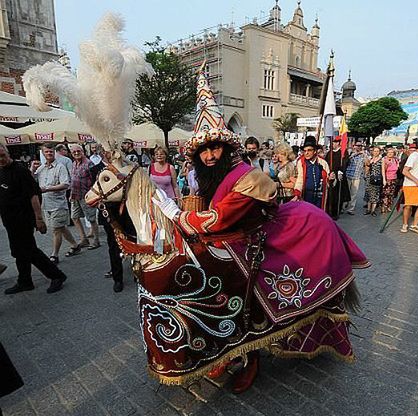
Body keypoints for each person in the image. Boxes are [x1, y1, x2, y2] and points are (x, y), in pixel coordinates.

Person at [151, 127, 369, 393]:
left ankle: (251, 357)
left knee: (246, 295)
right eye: (203, 151)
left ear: (227, 149)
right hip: (234, 236)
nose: (209, 156)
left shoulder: (247, 176)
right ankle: (227, 350)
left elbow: (219, 218)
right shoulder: (212, 175)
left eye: (215, 148)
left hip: (261, 236)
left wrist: (177, 215)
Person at [0, 143, 68, 294]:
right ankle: (25, 281)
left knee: (30, 250)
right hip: (9, 221)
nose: (1, 159)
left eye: (2, 156)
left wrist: (39, 219)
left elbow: (34, 196)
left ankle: (57, 276)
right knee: (18, 251)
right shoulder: (1, 171)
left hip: (23, 219)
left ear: (8, 153)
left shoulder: (20, 171)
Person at [36, 143, 81, 264]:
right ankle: (75, 245)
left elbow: (66, 184)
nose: (49, 154)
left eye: (51, 152)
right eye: (47, 152)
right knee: (61, 227)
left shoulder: (60, 167)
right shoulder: (41, 168)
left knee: (56, 230)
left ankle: (54, 255)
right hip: (46, 204)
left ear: (54, 153)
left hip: (58, 204)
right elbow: (31, 181)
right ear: (43, 153)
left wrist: (48, 189)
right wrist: (31, 170)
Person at [69, 144, 101, 249]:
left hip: (86, 195)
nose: (77, 153)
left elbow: (96, 180)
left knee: (91, 218)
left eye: (79, 151)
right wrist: (71, 194)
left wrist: (94, 194)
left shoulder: (89, 164)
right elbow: (73, 179)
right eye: (74, 152)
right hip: (75, 195)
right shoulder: (74, 164)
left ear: (83, 152)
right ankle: (84, 239)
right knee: (74, 217)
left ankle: (96, 240)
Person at [400, 138, 418, 234]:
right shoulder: (414, 156)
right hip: (411, 185)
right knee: (408, 206)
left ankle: (415, 225)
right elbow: (405, 171)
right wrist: (416, 180)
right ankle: (405, 224)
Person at [293, 136, 330, 208]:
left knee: (319, 216)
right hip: (306, 195)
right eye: (304, 151)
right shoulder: (301, 162)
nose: (306, 153)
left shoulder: (323, 162)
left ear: (315, 151)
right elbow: (300, 179)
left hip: (319, 196)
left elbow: (328, 180)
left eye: (309, 150)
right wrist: (297, 193)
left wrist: (332, 179)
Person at [325, 137, 350, 219]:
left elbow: (346, 162)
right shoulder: (330, 152)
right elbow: (326, 162)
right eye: (332, 142)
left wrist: (341, 171)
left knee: (338, 195)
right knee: (330, 194)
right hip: (331, 175)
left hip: (339, 176)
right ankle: (329, 211)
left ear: (338, 143)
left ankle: (336, 212)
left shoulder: (343, 152)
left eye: (334, 142)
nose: (333, 144)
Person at [344, 141, 366, 215]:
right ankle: (344, 206)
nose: (358, 147)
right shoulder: (350, 152)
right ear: (354, 146)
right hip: (348, 174)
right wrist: (356, 154)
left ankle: (351, 209)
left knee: (354, 193)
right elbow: (346, 160)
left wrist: (364, 155)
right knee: (346, 192)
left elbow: (368, 163)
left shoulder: (364, 154)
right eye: (357, 145)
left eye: (360, 146)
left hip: (357, 176)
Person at [364, 146, 383, 216]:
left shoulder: (381, 159)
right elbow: (367, 166)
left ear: (379, 152)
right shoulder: (370, 158)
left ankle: (373, 210)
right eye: (375, 151)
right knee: (369, 193)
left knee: (375, 194)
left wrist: (384, 180)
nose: (376, 152)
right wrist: (369, 161)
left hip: (377, 178)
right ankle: (368, 209)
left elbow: (383, 169)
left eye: (377, 151)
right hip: (370, 177)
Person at [381, 147, 399, 213]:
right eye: (389, 152)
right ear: (386, 153)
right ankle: (383, 207)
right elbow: (383, 170)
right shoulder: (385, 159)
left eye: (392, 152)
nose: (390, 154)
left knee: (391, 194)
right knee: (386, 193)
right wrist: (384, 180)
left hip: (394, 179)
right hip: (387, 178)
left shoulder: (395, 160)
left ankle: (388, 206)